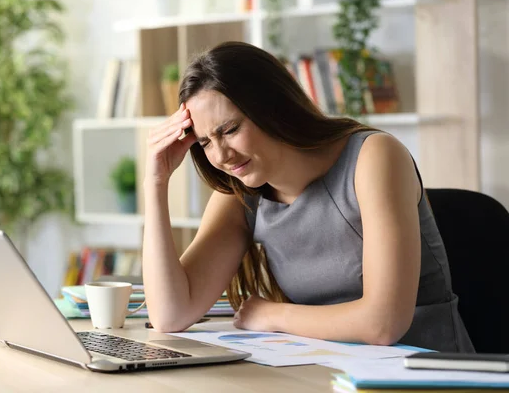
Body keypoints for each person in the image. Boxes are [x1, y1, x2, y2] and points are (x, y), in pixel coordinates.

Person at [141, 41, 474, 353]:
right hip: (329, 369)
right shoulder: (243, 193)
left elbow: (384, 324)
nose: (222, 155)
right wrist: (156, 183)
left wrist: (273, 316)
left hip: (427, 371)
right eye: (205, 142)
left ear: (272, 106)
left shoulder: (374, 157)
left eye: (229, 130)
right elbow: (171, 315)